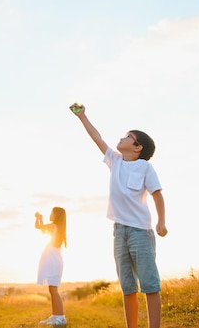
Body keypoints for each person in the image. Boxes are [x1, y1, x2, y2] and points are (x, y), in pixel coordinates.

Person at [69, 103, 167, 328]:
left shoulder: (145, 168)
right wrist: (82, 117)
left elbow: (158, 195)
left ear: (137, 147)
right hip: (119, 231)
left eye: (127, 136)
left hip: (140, 232)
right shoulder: (115, 160)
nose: (121, 138)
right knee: (128, 286)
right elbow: (97, 137)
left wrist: (161, 221)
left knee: (150, 283)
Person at [35, 207, 67, 326]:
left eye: (51, 212)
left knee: (54, 290)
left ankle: (60, 318)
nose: (50, 214)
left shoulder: (53, 227)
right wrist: (40, 219)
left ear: (56, 215)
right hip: (54, 261)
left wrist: (39, 219)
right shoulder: (57, 228)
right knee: (52, 289)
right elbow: (41, 228)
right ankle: (55, 316)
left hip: (53, 262)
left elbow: (38, 227)